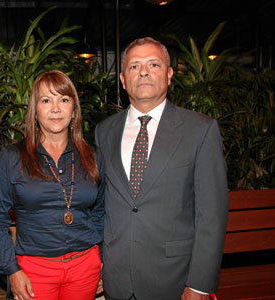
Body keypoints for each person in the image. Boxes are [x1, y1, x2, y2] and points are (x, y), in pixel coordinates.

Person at [95, 37, 229, 300]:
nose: (143, 71)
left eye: (153, 64)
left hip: (174, 280)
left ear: (169, 75)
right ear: (122, 80)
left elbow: (211, 215)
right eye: (134, 66)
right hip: (116, 278)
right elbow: (103, 204)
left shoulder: (200, 130)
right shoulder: (104, 131)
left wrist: (200, 284)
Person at [0, 70, 104, 300]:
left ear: (74, 110)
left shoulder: (93, 157)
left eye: (63, 99)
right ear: (35, 110)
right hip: (33, 270)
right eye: (46, 100)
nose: (55, 108)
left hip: (85, 267)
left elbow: (101, 212)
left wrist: (103, 261)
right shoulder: (13, 157)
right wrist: (11, 269)